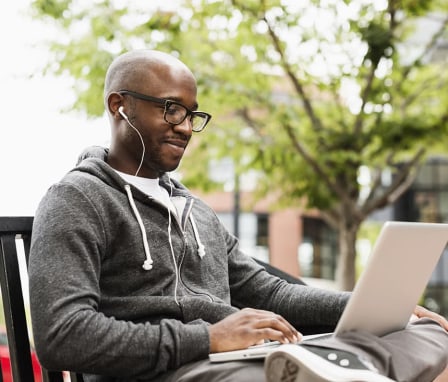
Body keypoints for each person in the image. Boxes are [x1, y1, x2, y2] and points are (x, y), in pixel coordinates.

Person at [28, 49, 448, 382]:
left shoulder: (195, 211)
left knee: (423, 335)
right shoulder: (77, 198)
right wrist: (209, 338)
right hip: (168, 370)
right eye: (171, 109)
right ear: (120, 106)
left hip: (238, 359)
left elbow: (271, 293)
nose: (186, 127)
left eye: (192, 114)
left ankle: (341, 371)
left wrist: (379, 308)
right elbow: (62, 334)